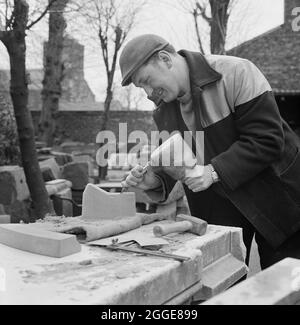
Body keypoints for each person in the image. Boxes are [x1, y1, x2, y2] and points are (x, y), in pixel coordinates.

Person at [119, 34, 300, 270]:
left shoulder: (236, 72)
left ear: (165, 59)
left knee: (287, 285)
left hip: (277, 197)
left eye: (146, 80)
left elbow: (266, 139)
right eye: (141, 87)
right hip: (220, 212)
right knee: (224, 285)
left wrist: (213, 171)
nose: (148, 92)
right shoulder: (163, 111)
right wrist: (153, 181)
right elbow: (177, 163)